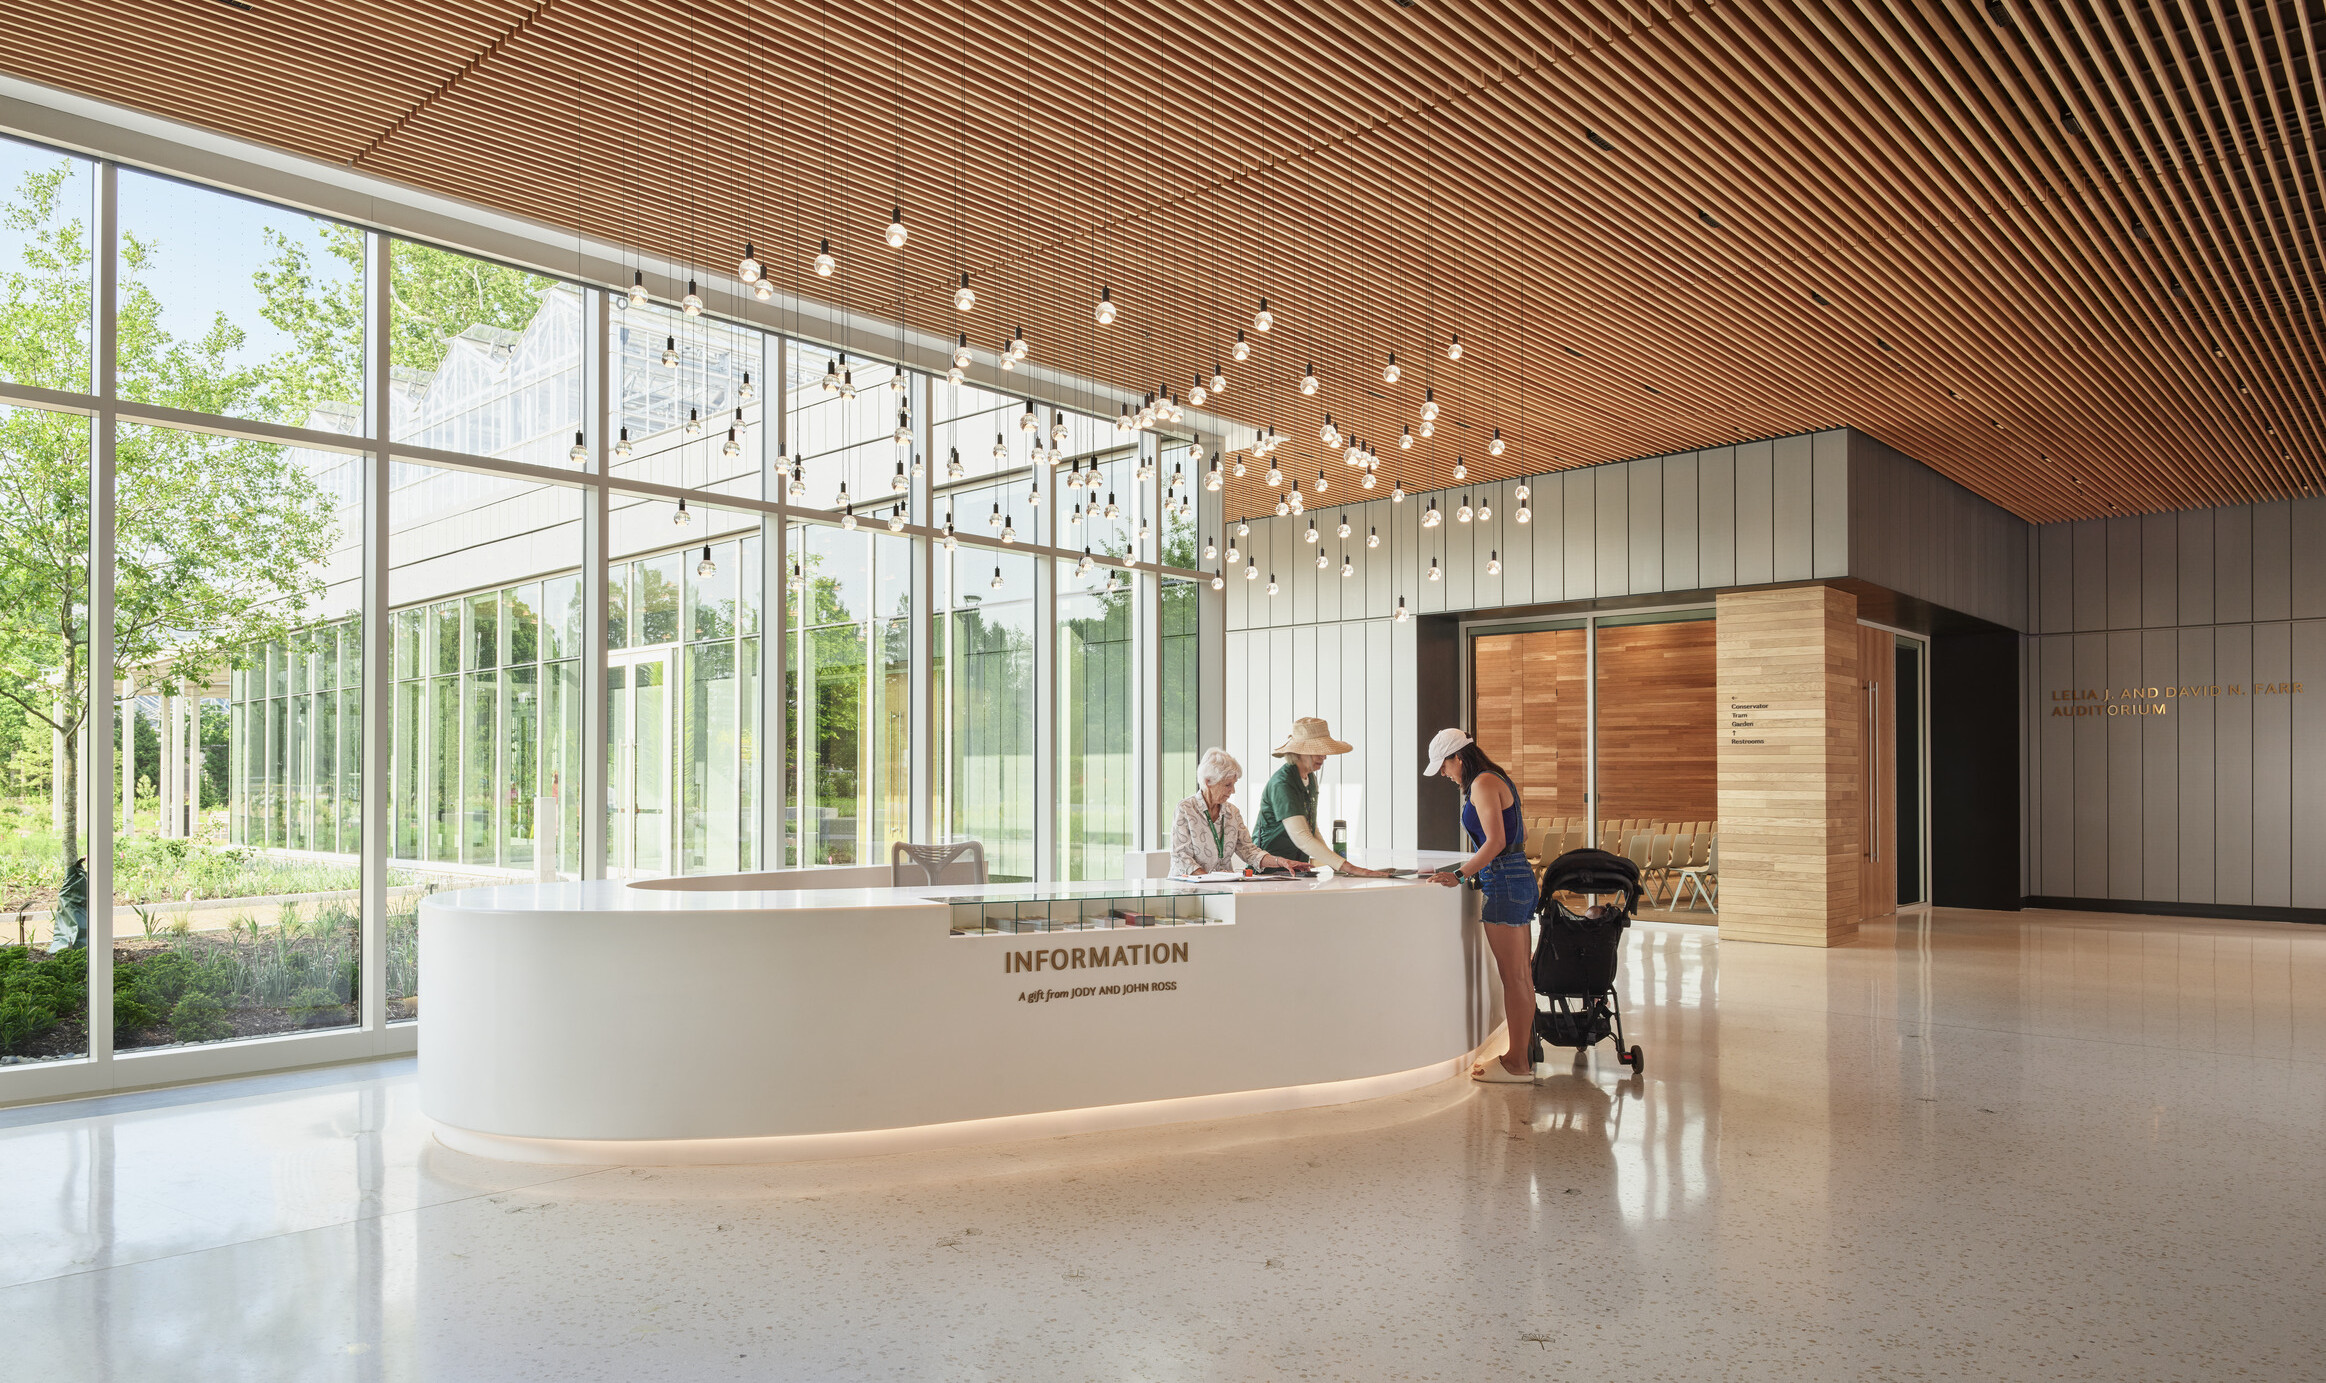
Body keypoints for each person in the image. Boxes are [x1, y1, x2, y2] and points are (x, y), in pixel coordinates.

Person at [1423, 727, 1540, 1083]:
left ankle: (1516, 1063)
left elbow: (1495, 842)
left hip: (1504, 879)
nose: (1443, 774)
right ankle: (1520, 1057)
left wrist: (1458, 875)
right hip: (1517, 876)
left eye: (1444, 766)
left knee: (1514, 977)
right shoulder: (1494, 778)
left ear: (1458, 757)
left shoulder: (1483, 783)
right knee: (1522, 977)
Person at [1250, 718, 1389, 878]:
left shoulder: (1310, 778)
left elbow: (1311, 828)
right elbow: (1302, 837)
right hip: (1269, 870)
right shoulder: (1282, 784)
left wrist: (1337, 865)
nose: (1324, 757)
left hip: (1297, 868)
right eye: (1318, 751)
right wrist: (1349, 867)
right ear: (1299, 752)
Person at [1169, 748, 1304, 877]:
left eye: (1234, 784)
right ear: (1208, 781)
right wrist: (1209, 880)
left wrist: (1281, 862)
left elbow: (1249, 850)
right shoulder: (1185, 809)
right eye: (1227, 785)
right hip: (1189, 891)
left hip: (1221, 890)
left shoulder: (1232, 812)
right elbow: (1181, 856)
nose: (1232, 791)